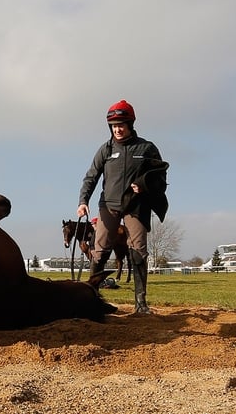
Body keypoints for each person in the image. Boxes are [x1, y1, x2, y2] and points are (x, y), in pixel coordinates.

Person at [77, 100, 169, 314]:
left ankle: (141, 304)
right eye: (113, 125)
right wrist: (83, 201)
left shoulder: (146, 148)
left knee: (138, 250)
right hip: (108, 206)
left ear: (130, 124)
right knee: (99, 251)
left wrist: (144, 186)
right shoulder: (106, 150)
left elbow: (161, 177)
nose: (117, 129)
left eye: (121, 125)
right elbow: (91, 177)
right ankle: (93, 299)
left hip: (136, 207)